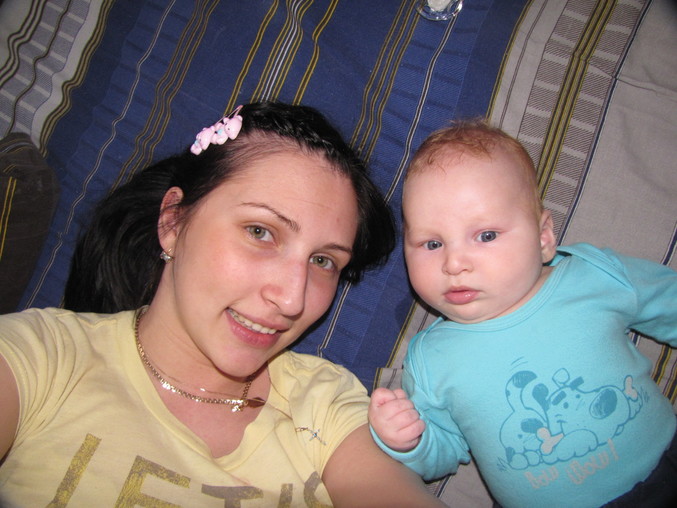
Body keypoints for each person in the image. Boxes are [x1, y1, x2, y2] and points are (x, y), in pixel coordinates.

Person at [0, 101, 446, 507]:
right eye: (260, 232)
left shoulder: (323, 404)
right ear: (173, 222)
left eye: (322, 261)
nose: (292, 298)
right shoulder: (42, 358)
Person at [368, 119, 677, 508]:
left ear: (544, 237)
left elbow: (667, 299)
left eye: (486, 235)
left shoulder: (590, 276)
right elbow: (443, 451)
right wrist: (408, 440)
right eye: (432, 243)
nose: (454, 263)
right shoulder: (431, 359)